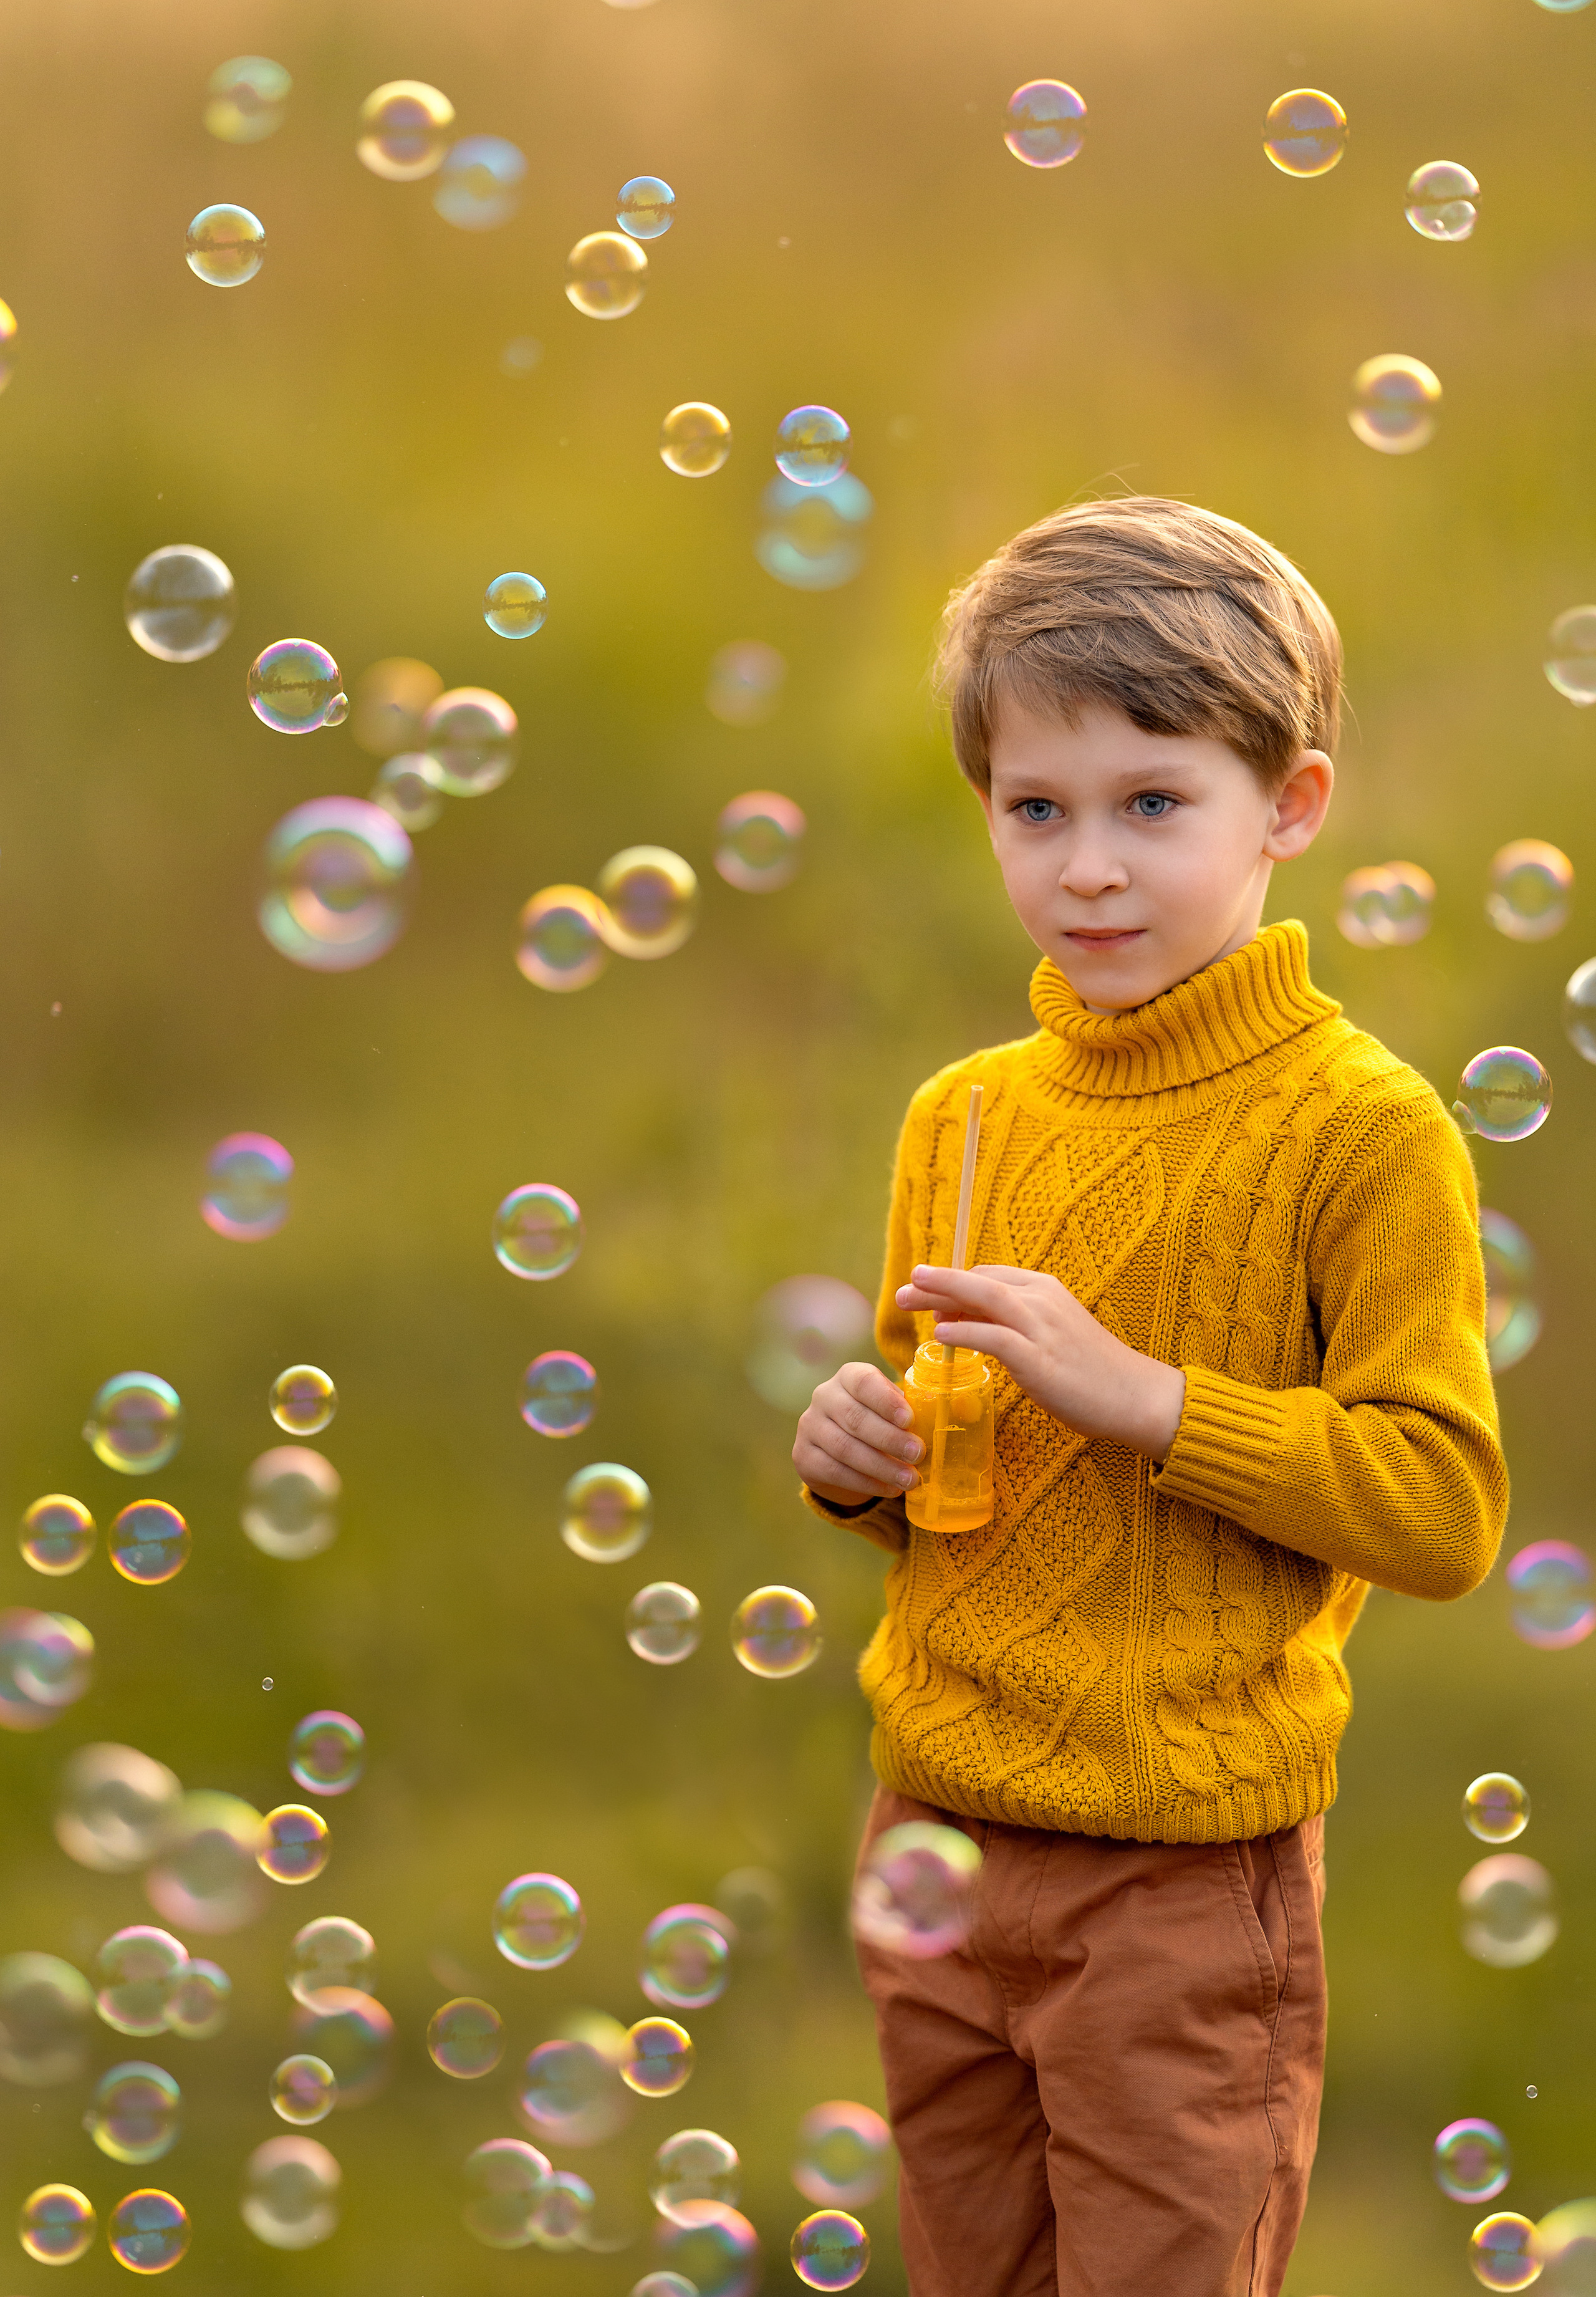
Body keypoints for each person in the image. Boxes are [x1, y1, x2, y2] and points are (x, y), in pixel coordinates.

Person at [792, 497, 1508, 2297]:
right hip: (940, 1844)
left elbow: (1439, 1508)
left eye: (1152, 804)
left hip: (1184, 1883)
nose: (1088, 867)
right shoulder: (962, 1118)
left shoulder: (1363, 1131)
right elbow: (962, 1467)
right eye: (1037, 810)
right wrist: (866, 1460)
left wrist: (1152, 1400)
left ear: (1291, 805)